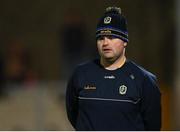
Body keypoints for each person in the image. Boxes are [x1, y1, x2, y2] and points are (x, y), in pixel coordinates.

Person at [66, 7, 161, 131]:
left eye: (111, 37)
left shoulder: (144, 80)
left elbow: (153, 126)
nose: (105, 43)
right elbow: (73, 114)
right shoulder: (80, 74)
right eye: (101, 38)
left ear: (125, 41)